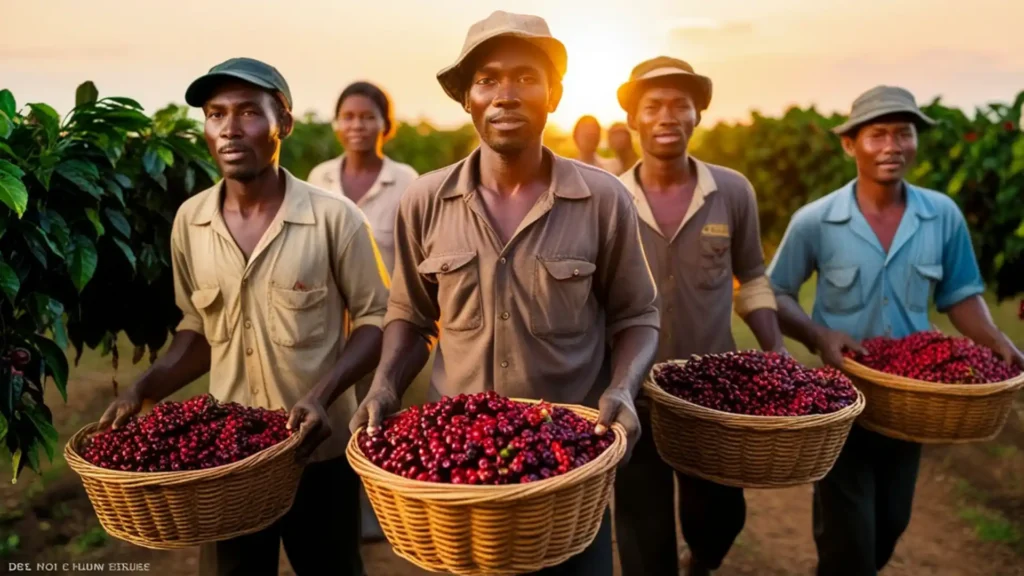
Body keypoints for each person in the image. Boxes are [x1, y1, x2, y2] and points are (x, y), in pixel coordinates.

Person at [349, 10, 661, 575]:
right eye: (488, 79)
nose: (506, 94)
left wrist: (623, 387)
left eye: (525, 77)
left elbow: (637, 314)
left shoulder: (603, 198)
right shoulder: (424, 201)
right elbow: (411, 318)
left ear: (554, 94)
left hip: (569, 467)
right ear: (467, 98)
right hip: (459, 477)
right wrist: (385, 385)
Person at [98, 57, 390, 576]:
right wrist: (144, 387)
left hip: (317, 457)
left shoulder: (335, 218)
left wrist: (321, 395)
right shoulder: (191, 221)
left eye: (249, 112)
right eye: (215, 114)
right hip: (226, 467)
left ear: (285, 122)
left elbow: (376, 320)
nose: (230, 128)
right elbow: (197, 328)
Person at [767, 85, 1024, 576]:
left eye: (903, 134)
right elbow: (774, 294)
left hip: (913, 405)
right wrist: (819, 335)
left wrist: (996, 340)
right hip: (842, 403)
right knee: (848, 542)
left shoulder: (940, 216)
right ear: (850, 145)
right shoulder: (816, 221)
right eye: (878, 134)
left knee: (891, 522)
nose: (892, 146)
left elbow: (960, 295)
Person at [611, 56, 786, 576]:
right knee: (644, 536)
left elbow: (752, 278)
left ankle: (702, 562)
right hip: (632, 393)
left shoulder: (731, 192)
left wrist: (775, 351)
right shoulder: (610, 198)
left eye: (679, 105)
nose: (667, 116)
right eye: (653, 106)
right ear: (634, 120)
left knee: (720, 516)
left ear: (697, 117)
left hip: (711, 395)